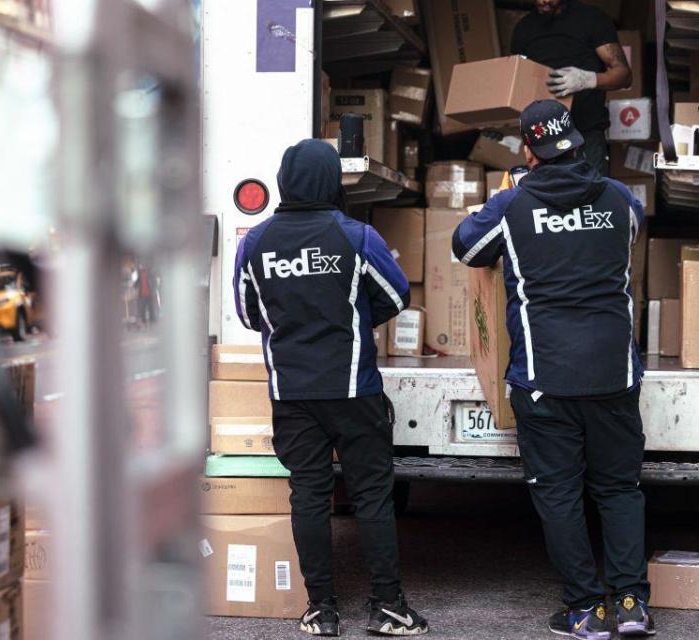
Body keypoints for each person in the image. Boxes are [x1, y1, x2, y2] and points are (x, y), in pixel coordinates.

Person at [453, 100, 652, 639]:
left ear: (527, 150)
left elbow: (465, 247)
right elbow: (626, 236)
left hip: (546, 378)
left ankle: (587, 610)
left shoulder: (514, 208)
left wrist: (507, 194)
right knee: (619, 487)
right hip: (614, 372)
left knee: (560, 493)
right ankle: (632, 603)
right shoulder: (619, 199)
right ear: (576, 142)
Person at [233, 139, 428, 637]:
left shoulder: (254, 243)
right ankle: (388, 608)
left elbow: (250, 313)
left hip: (292, 393)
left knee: (309, 497)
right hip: (353, 389)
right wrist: (354, 317)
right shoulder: (356, 235)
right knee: (372, 498)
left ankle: (320, 610)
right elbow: (394, 295)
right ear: (330, 181)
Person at [511, 0, 633, 177]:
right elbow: (515, 83)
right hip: (542, 139)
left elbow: (625, 75)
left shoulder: (591, 19)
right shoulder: (523, 29)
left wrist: (588, 80)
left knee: (592, 201)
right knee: (546, 201)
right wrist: (501, 125)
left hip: (585, 135)